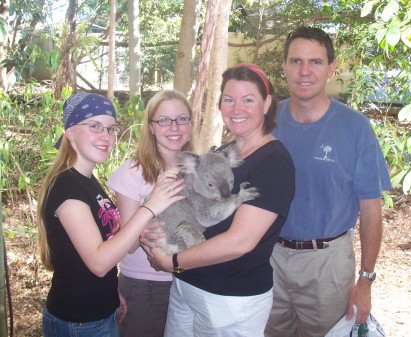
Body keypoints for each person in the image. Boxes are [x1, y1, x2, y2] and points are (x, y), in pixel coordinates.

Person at [140, 64, 295, 337]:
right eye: (229, 99)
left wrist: (173, 260)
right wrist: (151, 231)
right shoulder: (222, 154)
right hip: (187, 285)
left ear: (267, 103)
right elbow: (179, 201)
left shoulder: (273, 162)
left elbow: (240, 242)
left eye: (248, 99)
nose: (237, 109)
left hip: (229, 298)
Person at [264, 26, 392, 337]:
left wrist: (366, 280)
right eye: (295, 61)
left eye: (315, 62)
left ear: (331, 69)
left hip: (328, 264)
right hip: (270, 258)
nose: (304, 71)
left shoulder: (355, 128)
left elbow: (371, 212)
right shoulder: (267, 122)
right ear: (284, 67)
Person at [37, 92, 186, 337]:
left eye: (111, 129)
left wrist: (111, 290)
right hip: (78, 321)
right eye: (94, 126)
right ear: (70, 132)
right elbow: (98, 262)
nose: (106, 136)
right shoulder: (67, 187)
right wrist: (150, 206)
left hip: (100, 310)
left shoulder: (87, 181)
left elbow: (97, 251)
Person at [106, 90, 193, 337]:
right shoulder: (133, 172)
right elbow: (130, 244)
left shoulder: (197, 168)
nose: (174, 127)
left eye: (182, 119)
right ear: (151, 127)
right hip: (148, 286)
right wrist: (153, 202)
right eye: (164, 120)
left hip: (192, 280)